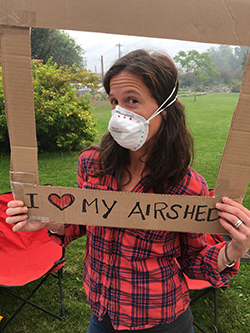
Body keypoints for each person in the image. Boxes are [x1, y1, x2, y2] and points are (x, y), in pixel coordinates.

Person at [6, 49, 250, 333]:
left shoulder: (187, 187)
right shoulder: (92, 164)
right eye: (114, 101)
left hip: (161, 320)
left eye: (132, 100)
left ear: (165, 108)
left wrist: (234, 249)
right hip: (102, 313)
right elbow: (87, 220)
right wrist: (52, 220)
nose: (119, 112)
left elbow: (193, 261)